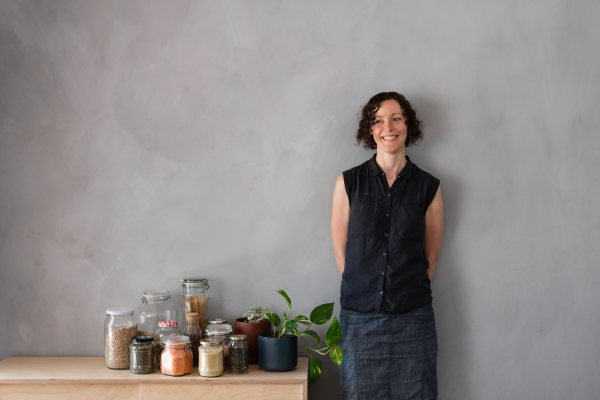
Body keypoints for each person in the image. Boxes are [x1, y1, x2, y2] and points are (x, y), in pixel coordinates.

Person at [331, 92, 444, 399]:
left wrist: (403, 292)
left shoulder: (429, 187)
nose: (388, 127)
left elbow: (431, 256)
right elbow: (341, 249)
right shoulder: (348, 184)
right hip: (360, 316)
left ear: (408, 125)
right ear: (370, 129)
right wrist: (364, 288)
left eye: (396, 118)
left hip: (413, 316)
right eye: (378, 120)